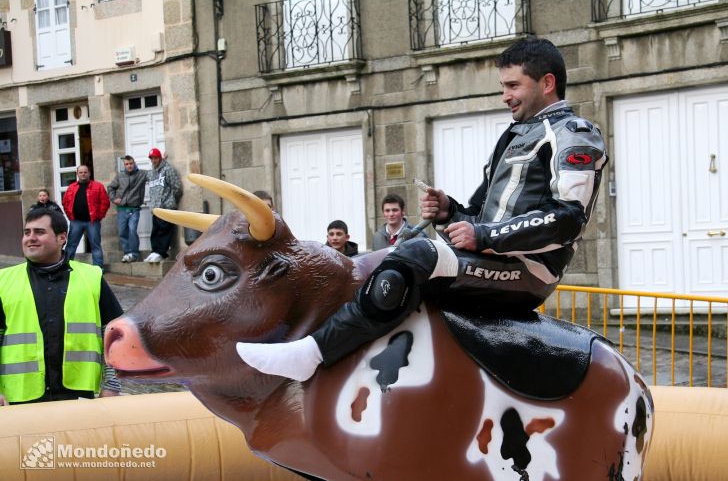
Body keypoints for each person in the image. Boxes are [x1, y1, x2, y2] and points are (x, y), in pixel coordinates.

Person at [236, 37, 608, 382]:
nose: (504, 97)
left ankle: (313, 354)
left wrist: (484, 235)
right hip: (495, 260)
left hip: (530, 272)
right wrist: (448, 211)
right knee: (383, 256)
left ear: (546, 83)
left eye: (513, 86)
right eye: (503, 87)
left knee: (418, 253)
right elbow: (477, 214)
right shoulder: (514, 135)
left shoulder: (574, 133)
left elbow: (568, 218)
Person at [0, 208, 122, 405]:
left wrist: (112, 386)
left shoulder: (92, 278)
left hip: (78, 396)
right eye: (27, 232)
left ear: (61, 237)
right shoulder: (3, 281)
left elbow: (115, 336)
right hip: (19, 398)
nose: (30, 238)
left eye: (39, 232)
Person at [62, 165, 110, 269]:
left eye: (85, 172)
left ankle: (98, 268)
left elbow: (105, 202)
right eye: (81, 172)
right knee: (71, 245)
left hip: (92, 221)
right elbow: (65, 202)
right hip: (76, 221)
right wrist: (70, 216)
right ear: (77, 174)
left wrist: (99, 216)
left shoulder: (98, 186)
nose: (83, 174)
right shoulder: (71, 187)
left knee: (95, 246)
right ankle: (65, 267)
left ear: (89, 173)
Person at [107, 155, 148, 263]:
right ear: (124, 165)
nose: (129, 166)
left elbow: (155, 174)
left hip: (134, 208)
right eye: (127, 164)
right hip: (121, 209)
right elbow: (111, 187)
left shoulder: (142, 174)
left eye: (131, 163)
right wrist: (114, 198)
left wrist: (163, 159)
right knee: (122, 232)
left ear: (134, 163)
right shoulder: (120, 176)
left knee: (132, 230)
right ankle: (127, 253)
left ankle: (134, 254)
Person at [145, 148, 182, 263]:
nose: (154, 160)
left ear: (160, 158)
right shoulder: (151, 173)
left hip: (166, 206)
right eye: (152, 158)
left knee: (164, 230)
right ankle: (155, 251)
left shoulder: (168, 169)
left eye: (156, 158)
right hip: (155, 208)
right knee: (155, 230)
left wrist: (170, 200)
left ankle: (161, 252)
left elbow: (177, 188)